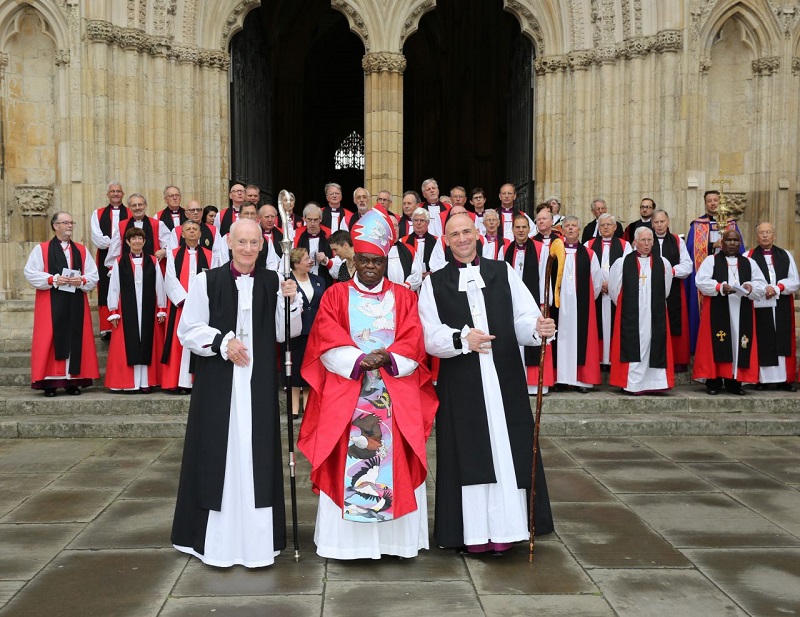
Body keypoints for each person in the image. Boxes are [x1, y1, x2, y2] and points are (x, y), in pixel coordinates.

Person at [298, 207, 437, 559]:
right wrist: (360, 360)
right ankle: (345, 545)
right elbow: (325, 339)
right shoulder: (335, 295)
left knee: (396, 460)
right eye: (364, 261)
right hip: (350, 391)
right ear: (354, 261)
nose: (371, 267)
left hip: (394, 390)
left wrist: (388, 358)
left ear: (385, 260)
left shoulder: (404, 297)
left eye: (377, 261)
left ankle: (396, 543)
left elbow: (413, 340)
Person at [418, 212, 555, 554]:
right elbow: (429, 336)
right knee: (470, 453)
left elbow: (523, 317)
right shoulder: (433, 283)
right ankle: (475, 534)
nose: (462, 238)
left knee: (509, 450)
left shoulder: (502, 272)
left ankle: (509, 529)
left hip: (505, 377)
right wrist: (463, 340)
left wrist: (538, 329)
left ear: (477, 233)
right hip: (462, 384)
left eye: (467, 231)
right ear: (446, 240)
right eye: (454, 234)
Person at [172, 217, 301, 568]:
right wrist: (223, 341)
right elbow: (189, 329)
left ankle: (258, 544)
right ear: (229, 242)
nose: (247, 249)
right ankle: (215, 542)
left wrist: (290, 302)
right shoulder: (206, 281)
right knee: (218, 456)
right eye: (241, 242)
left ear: (263, 246)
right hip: (219, 385)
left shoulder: (274, 280)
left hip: (256, 386)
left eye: (254, 243)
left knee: (255, 457)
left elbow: (283, 332)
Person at [24, 212, 100, 397]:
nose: (69, 225)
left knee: (75, 338)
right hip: (50, 302)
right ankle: (49, 383)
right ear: (55, 226)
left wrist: (81, 281)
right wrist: (53, 279)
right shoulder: (41, 249)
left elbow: (93, 275)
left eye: (71, 222)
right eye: (65, 223)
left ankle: (72, 381)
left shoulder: (81, 250)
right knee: (49, 338)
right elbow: (30, 272)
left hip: (75, 301)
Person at [692, 229, 766, 395]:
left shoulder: (749, 262)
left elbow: (761, 285)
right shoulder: (711, 260)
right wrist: (719, 287)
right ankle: (714, 382)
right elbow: (701, 281)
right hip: (718, 310)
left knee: (739, 344)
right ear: (722, 242)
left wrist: (750, 287)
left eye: (735, 241)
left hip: (742, 311)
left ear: (740, 243)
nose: (732, 243)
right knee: (717, 343)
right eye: (728, 240)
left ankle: (734, 382)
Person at [609, 227, 674, 394]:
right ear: (635, 242)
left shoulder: (663, 263)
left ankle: (655, 383)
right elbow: (614, 289)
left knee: (654, 342)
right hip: (631, 314)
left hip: (655, 312)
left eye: (649, 240)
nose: (647, 244)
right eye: (643, 240)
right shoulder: (622, 262)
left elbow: (666, 290)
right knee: (634, 345)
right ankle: (633, 383)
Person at [104, 227, 167, 393]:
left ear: (144, 241)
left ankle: (146, 382)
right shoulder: (119, 262)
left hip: (148, 309)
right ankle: (128, 383)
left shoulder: (153, 261)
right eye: (134, 239)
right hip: (126, 311)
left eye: (140, 238)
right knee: (127, 344)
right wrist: (113, 310)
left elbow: (159, 284)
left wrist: (161, 307)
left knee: (147, 342)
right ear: (127, 242)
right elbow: (114, 287)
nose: (137, 241)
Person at [685, 190, 746, 352]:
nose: (713, 203)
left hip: (729, 270)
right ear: (705, 204)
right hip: (707, 270)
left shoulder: (731, 225)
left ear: (720, 202)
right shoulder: (698, 225)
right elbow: (691, 250)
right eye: (709, 201)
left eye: (715, 200)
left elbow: (741, 248)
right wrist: (713, 246)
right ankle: (701, 343)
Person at [161, 220, 214, 394]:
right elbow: (169, 279)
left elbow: (213, 278)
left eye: (195, 229)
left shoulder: (210, 254)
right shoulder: (174, 253)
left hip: (202, 306)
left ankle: (195, 381)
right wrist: (184, 300)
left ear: (200, 234)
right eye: (188, 230)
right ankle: (178, 381)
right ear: (182, 234)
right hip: (180, 307)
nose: (191, 232)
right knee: (178, 342)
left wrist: (200, 300)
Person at [504, 214, 553, 394]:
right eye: (517, 227)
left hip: (533, 301)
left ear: (529, 229)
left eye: (524, 227)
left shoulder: (540, 248)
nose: (521, 230)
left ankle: (533, 384)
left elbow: (544, 277)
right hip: (512, 301)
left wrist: (542, 303)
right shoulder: (506, 249)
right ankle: (516, 381)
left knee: (533, 335)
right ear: (512, 229)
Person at [747, 222, 799, 391]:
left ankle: (785, 379)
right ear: (757, 236)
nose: (765, 235)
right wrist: (763, 289)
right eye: (762, 232)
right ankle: (761, 379)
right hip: (760, 304)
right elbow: (745, 281)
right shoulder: (749, 256)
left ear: (774, 235)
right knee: (763, 338)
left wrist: (778, 288)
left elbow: (794, 281)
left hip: (781, 303)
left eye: (768, 232)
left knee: (782, 337)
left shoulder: (785, 255)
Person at [553, 216, 602, 393]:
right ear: (563, 230)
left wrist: (585, 299)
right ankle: (561, 379)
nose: (571, 229)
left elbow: (596, 282)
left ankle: (582, 380)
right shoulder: (556, 252)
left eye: (574, 225)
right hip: (560, 305)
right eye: (567, 226)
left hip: (581, 306)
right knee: (561, 339)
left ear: (579, 229)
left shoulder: (589, 254)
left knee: (581, 339)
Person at [584, 213, 631, 368]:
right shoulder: (588, 245)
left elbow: (627, 269)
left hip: (615, 293)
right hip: (595, 293)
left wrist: (611, 284)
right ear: (598, 227)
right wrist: (599, 284)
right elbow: (585, 270)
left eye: (608, 225)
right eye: (602, 225)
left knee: (613, 325)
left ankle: (611, 358)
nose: (605, 227)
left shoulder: (625, 246)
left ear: (615, 227)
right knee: (596, 325)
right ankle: (598, 359)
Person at [283, 247, 326, 416]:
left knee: (311, 368)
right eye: (306, 259)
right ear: (295, 263)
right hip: (295, 332)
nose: (310, 261)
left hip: (315, 332)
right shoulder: (287, 281)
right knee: (294, 369)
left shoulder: (318, 280)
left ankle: (308, 408)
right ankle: (294, 408)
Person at [651, 209, 693, 370]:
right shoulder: (647, 239)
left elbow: (688, 265)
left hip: (674, 288)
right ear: (652, 224)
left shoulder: (677, 241)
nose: (659, 225)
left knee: (675, 322)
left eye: (662, 221)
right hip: (652, 288)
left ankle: (676, 360)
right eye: (656, 222)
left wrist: (671, 271)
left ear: (668, 222)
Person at [90, 181, 129, 339]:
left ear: (122, 194)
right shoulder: (98, 213)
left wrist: (119, 246)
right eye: (112, 191)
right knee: (106, 288)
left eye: (118, 191)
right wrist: (114, 245)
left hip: (126, 254)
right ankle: (106, 328)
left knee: (125, 287)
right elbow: (96, 236)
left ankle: (125, 321)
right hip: (105, 256)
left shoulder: (131, 213)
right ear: (108, 194)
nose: (115, 194)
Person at [105, 193, 164, 270]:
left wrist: (164, 251)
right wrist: (113, 268)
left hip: (152, 268)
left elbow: (169, 244)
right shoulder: (121, 225)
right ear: (129, 207)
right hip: (127, 269)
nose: (137, 208)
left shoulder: (158, 224)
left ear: (145, 205)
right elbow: (114, 250)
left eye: (140, 204)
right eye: (134, 205)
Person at [294, 202, 334, 285]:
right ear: (304, 219)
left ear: (320, 219)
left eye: (315, 220)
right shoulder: (296, 235)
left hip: (324, 277)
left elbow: (336, 260)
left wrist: (326, 259)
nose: (312, 223)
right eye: (309, 219)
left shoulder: (328, 234)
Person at [387, 214, 423, 291]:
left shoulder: (409, 249)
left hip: (406, 294)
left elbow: (417, 274)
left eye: (396, 226)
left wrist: (406, 286)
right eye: (391, 225)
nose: (395, 229)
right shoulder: (379, 251)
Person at [402, 207, 437, 277]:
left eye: (422, 220)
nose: (418, 223)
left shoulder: (436, 241)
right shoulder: (403, 241)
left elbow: (439, 262)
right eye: (416, 220)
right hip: (410, 278)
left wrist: (431, 272)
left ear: (428, 222)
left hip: (431, 278)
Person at [255, 203, 284, 272]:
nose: (270, 220)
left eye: (272, 216)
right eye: (267, 217)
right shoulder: (254, 232)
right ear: (259, 218)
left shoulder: (281, 233)